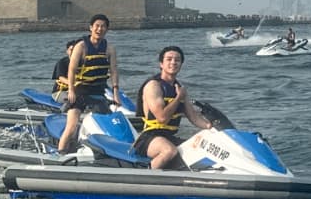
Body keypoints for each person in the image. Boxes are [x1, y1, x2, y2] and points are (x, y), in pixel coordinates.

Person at [133, 45, 215, 170]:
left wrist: (213, 128)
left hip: (169, 136)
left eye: (177, 60)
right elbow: (161, 118)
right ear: (161, 64)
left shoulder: (180, 89)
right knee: (169, 151)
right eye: (169, 59)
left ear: (181, 64)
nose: (173, 62)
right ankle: (146, 176)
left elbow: (193, 117)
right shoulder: (153, 86)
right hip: (149, 138)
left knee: (199, 147)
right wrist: (178, 98)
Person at [57, 14, 120, 153]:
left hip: (98, 92)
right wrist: (72, 91)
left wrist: (116, 93)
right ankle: (60, 153)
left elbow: (114, 71)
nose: (100, 29)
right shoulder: (81, 46)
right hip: (80, 91)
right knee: (72, 126)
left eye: (103, 26)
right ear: (91, 28)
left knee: (108, 125)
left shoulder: (110, 49)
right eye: (97, 26)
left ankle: (108, 152)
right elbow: (72, 70)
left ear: (107, 29)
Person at [50, 37, 82, 102]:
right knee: (72, 100)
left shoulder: (82, 62)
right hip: (60, 92)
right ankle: (64, 111)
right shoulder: (62, 62)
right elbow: (61, 78)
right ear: (67, 51)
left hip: (77, 91)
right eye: (71, 50)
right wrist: (74, 84)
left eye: (75, 50)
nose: (73, 52)